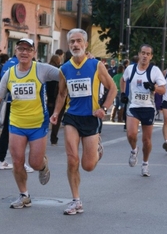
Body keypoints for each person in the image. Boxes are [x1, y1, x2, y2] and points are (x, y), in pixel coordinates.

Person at [0, 38, 61, 209]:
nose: (24, 52)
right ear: (16, 52)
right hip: (16, 124)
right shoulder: (9, 73)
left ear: (33, 53)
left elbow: (64, 74)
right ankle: (24, 195)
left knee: (34, 163)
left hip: (37, 123)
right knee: (17, 161)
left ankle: (43, 165)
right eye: (20, 49)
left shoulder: (41, 69)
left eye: (28, 49)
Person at [50, 28, 117, 215]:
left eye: (79, 41)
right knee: (72, 159)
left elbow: (113, 88)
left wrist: (104, 109)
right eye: (72, 42)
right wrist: (56, 113)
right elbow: (62, 93)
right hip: (72, 117)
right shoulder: (64, 69)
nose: (75, 44)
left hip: (91, 118)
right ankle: (76, 200)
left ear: (85, 44)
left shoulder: (96, 66)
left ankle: (97, 149)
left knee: (88, 165)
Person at [120, 44, 166, 177]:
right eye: (143, 53)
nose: (145, 56)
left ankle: (145, 163)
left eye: (148, 54)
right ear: (139, 54)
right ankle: (134, 150)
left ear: (151, 56)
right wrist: (123, 93)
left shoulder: (155, 71)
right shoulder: (130, 69)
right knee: (131, 134)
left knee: (146, 140)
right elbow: (123, 80)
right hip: (134, 106)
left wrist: (153, 87)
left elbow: (163, 89)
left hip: (148, 108)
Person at [0, 54, 34, 173]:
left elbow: (2, 80)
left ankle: (1, 160)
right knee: (22, 133)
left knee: (6, 131)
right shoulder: (23, 65)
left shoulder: (7, 64)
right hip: (20, 103)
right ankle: (21, 163)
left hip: (9, 101)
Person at [46, 54, 64, 146]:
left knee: (47, 117)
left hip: (49, 97)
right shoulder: (58, 71)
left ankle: (41, 135)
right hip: (57, 97)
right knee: (57, 118)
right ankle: (53, 138)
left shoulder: (47, 69)